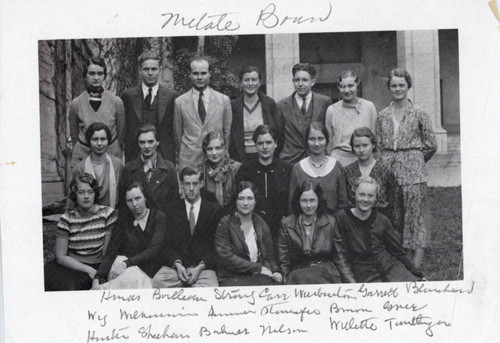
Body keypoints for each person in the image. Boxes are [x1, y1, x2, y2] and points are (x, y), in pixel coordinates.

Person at [376, 68, 437, 269]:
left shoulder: (419, 113)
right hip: (390, 173)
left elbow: (431, 144)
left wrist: (415, 159)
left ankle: (415, 267)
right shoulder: (383, 114)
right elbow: (378, 143)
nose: (398, 89)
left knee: (414, 218)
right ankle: (398, 262)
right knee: (394, 218)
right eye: (394, 85)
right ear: (389, 88)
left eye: (401, 85)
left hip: (414, 174)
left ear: (408, 86)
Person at [336, 177, 425, 282]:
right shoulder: (342, 218)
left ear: (375, 198)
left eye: (370, 196)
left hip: (392, 270)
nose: (365, 199)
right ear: (354, 194)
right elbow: (341, 255)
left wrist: (418, 274)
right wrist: (351, 281)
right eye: (361, 194)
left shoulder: (382, 220)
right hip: (365, 276)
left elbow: (398, 252)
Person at [45, 174, 117, 291]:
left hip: (97, 264)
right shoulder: (67, 219)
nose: (86, 196)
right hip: (72, 264)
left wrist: (99, 273)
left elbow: (107, 252)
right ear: (75, 195)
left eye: (90, 192)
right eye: (81, 192)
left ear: (95, 194)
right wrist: (87, 269)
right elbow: (60, 256)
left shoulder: (107, 214)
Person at [153, 167, 223, 288]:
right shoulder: (170, 210)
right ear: (181, 185)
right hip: (176, 269)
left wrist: (201, 266)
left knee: (209, 291)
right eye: (187, 184)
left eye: (195, 184)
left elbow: (217, 245)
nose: (191, 189)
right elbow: (165, 244)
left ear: (201, 184)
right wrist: (177, 264)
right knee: (157, 283)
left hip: (203, 268)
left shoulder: (214, 210)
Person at [279, 181, 355, 285]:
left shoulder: (331, 222)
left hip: (325, 272)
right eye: (304, 201)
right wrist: (287, 283)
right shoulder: (287, 224)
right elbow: (284, 261)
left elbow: (340, 258)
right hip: (299, 274)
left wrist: (352, 284)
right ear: (298, 201)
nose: (309, 205)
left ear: (319, 201)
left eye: (312, 200)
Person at [94, 182, 167, 289]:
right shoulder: (123, 220)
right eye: (129, 200)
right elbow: (111, 252)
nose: (134, 204)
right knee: (131, 277)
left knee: (135, 279)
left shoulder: (158, 217)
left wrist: (126, 263)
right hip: (126, 269)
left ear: (145, 197)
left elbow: (154, 248)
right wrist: (97, 277)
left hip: (148, 268)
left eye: (138, 198)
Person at [215, 181, 282, 286]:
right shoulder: (225, 223)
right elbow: (226, 257)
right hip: (232, 277)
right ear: (235, 201)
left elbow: (270, 256)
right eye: (241, 199)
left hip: (257, 276)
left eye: (250, 198)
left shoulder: (261, 223)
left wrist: (276, 271)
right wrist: (257, 268)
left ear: (255, 201)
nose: (246, 203)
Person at [174, 56, 232, 170]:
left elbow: (227, 133)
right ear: (190, 74)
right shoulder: (180, 102)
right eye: (195, 73)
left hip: (216, 162)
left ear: (210, 73)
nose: (199, 77)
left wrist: (221, 153)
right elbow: (177, 135)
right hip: (189, 162)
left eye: (203, 73)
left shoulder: (223, 100)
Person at [121, 50, 179, 163]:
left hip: (164, 156)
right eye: (146, 69)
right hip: (135, 156)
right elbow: (124, 129)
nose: (150, 73)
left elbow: (175, 130)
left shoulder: (172, 96)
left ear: (160, 69)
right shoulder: (128, 96)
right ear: (140, 70)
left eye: (154, 69)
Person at [236, 124, 292, 241]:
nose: (265, 147)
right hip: (252, 227)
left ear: (275, 144)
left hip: (281, 229)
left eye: (268, 142)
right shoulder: (246, 169)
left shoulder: (286, 169)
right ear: (255, 146)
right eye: (260, 143)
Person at [68, 57, 125, 168]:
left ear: (104, 76)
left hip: (110, 155)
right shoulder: (76, 104)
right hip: (83, 156)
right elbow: (74, 136)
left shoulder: (116, 102)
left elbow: (121, 135)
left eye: (100, 74)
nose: (96, 78)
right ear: (85, 75)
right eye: (92, 73)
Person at [344, 127, 400, 229]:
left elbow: (395, 204)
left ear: (373, 145)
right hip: (354, 225)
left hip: (380, 225)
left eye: (365, 145)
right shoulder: (347, 171)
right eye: (357, 146)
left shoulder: (385, 171)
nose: (361, 150)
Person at [277, 63, 332, 165]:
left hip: (317, 159)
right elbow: (279, 136)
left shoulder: (324, 102)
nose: (300, 84)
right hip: (290, 161)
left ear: (313, 82)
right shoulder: (281, 105)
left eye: (305, 80)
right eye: (297, 80)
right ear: (293, 81)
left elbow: (327, 132)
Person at [288, 122, 347, 215]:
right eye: (312, 139)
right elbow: (292, 204)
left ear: (327, 140)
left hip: (332, 226)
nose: (316, 143)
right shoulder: (298, 168)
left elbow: (343, 204)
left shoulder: (336, 167)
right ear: (306, 141)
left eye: (320, 139)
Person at [119, 124, 179, 215]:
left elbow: (174, 202)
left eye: (150, 142)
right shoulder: (129, 169)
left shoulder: (169, 168)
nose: (146, 146)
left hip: (162, 222)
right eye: (142, 142)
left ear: (157, 142)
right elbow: (123, 203)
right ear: (138, 143)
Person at [325, 70, 377, 166]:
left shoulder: (369, 107)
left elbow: (374, 138)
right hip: (338, 159)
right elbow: (329, 142)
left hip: (363, 159)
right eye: (342, 86)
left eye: (350, 86)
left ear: (357, 85)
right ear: (338, 88)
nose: (346, 90)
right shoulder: (332, 110)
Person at [229, 66, 280, 162]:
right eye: (247, 80)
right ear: (241, 83)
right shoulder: (233, 106)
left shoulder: (269, 104)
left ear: (260, 83)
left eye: (254, 80)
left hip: (265, 157)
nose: (250, 83)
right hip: (240, 159)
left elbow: (278, 133)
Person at [70, 122, 123, 209]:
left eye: (103, 139)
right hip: (88, 218)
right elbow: (73, 199)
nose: (99, 143)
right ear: (89, 141)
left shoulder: (117, 165)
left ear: (108, 141)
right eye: (95, 139)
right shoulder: (79, 168)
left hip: (113, 216)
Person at [201, 131, 240, 213]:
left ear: (225, 149)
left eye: (218, 148)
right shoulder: (202, 171)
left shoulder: (236, 169)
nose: (214, 153)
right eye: (209, 149)